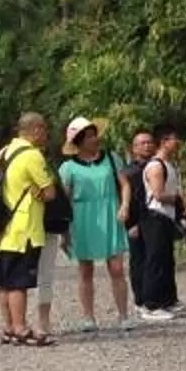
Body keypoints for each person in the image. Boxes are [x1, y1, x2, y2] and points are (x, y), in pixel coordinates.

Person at [57, 117, 133, 333]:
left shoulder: (111, 158)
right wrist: (65, 231)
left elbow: (125, 184)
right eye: (89, 136)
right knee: (85, 269)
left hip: (110, 211)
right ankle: (88, 317)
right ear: (79, 142)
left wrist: (125, 205)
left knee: (117, 267)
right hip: (82, 216)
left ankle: (123, 315)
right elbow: (65, 198)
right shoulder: (68, 167)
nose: (94, 139)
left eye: (94, 134)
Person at [0, 112, 61, 347]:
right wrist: (44, 190)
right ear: (36, 130)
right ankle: (21, 328)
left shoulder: (8, 151)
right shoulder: (32, 155)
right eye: (44, 130)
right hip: (26, 228)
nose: (46, 135)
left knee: (5, 281)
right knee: (19, 282)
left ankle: (9, 326)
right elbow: (50, 192)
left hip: (6, 227)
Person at [133, 128, 184, 320]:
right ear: (165, 141)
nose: (178, 144)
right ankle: (150, 304)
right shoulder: (156, 166)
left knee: (164, 260)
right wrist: (178, 200)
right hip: (155, 217)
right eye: (175, 140)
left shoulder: (168, 165)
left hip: (166, 218)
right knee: (154, 262)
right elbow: (158, 194)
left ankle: (165, 300)